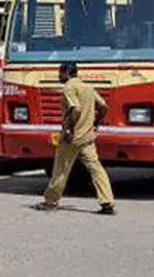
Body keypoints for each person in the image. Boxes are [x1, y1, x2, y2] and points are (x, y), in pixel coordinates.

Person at [34, 62, 116, 215]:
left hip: (72, 138)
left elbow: (76, 109)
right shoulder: (87, 88)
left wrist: (69, 130)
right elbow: (103, 106)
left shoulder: (69, 88)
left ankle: (51, 201)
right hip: (87, 138)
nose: (58, 76)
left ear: (66, 73)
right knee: (96, 169)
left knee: (61, 170)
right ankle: (107, 202)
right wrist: (96, 123)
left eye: (60, 73)